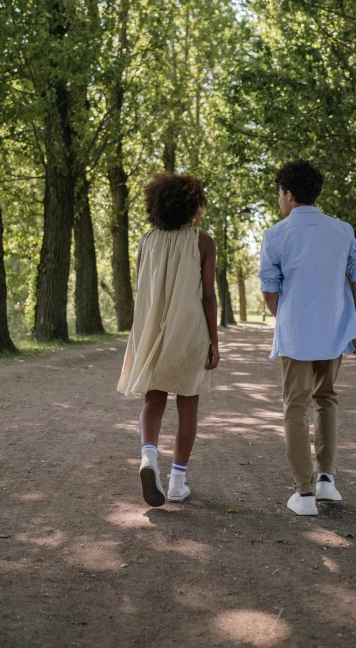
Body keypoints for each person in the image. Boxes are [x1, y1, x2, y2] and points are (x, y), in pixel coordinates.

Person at [259, 159, 356, 516]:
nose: (279, 200)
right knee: (326, 399)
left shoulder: (276, 234)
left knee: (295, 406)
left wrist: (288, 319)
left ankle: (304, 494)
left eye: (279, 193)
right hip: (334, 331)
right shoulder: (342, 230)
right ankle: (326, 481)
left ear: (289, 194)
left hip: (296, 334)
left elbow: (270, 290)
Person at [117, 172, 220, 507]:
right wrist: (214, 340)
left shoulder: (146, 242)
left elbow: (143, 289)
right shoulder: (203, 242)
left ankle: (149, 458)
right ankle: (177, 482)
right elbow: (208, 296)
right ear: (192, 206)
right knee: (188, 403)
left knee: (153, 398)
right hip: (190, 329)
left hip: (153, 327)